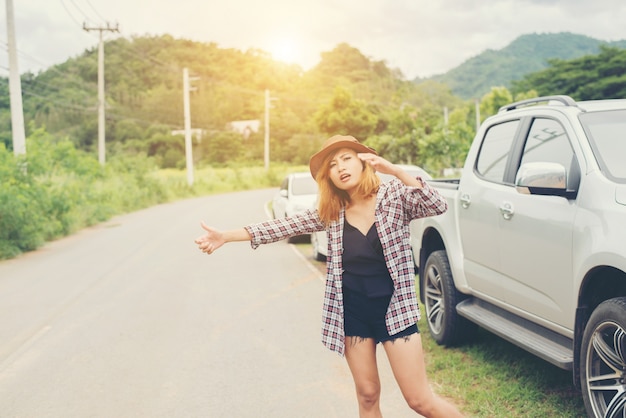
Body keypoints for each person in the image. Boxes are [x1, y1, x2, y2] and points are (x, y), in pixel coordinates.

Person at [195, 135, 464, 418]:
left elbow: (436, 205)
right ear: (329, 177)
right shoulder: (332, 213)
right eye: (332, 165)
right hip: (353, 315)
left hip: (395, 311)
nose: (340, 167)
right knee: (368, 396)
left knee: (419, 401)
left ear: (363, 162)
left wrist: (395, 170)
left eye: (346, 158)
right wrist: (226, 236)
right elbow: (281, 226)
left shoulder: (393, 195)